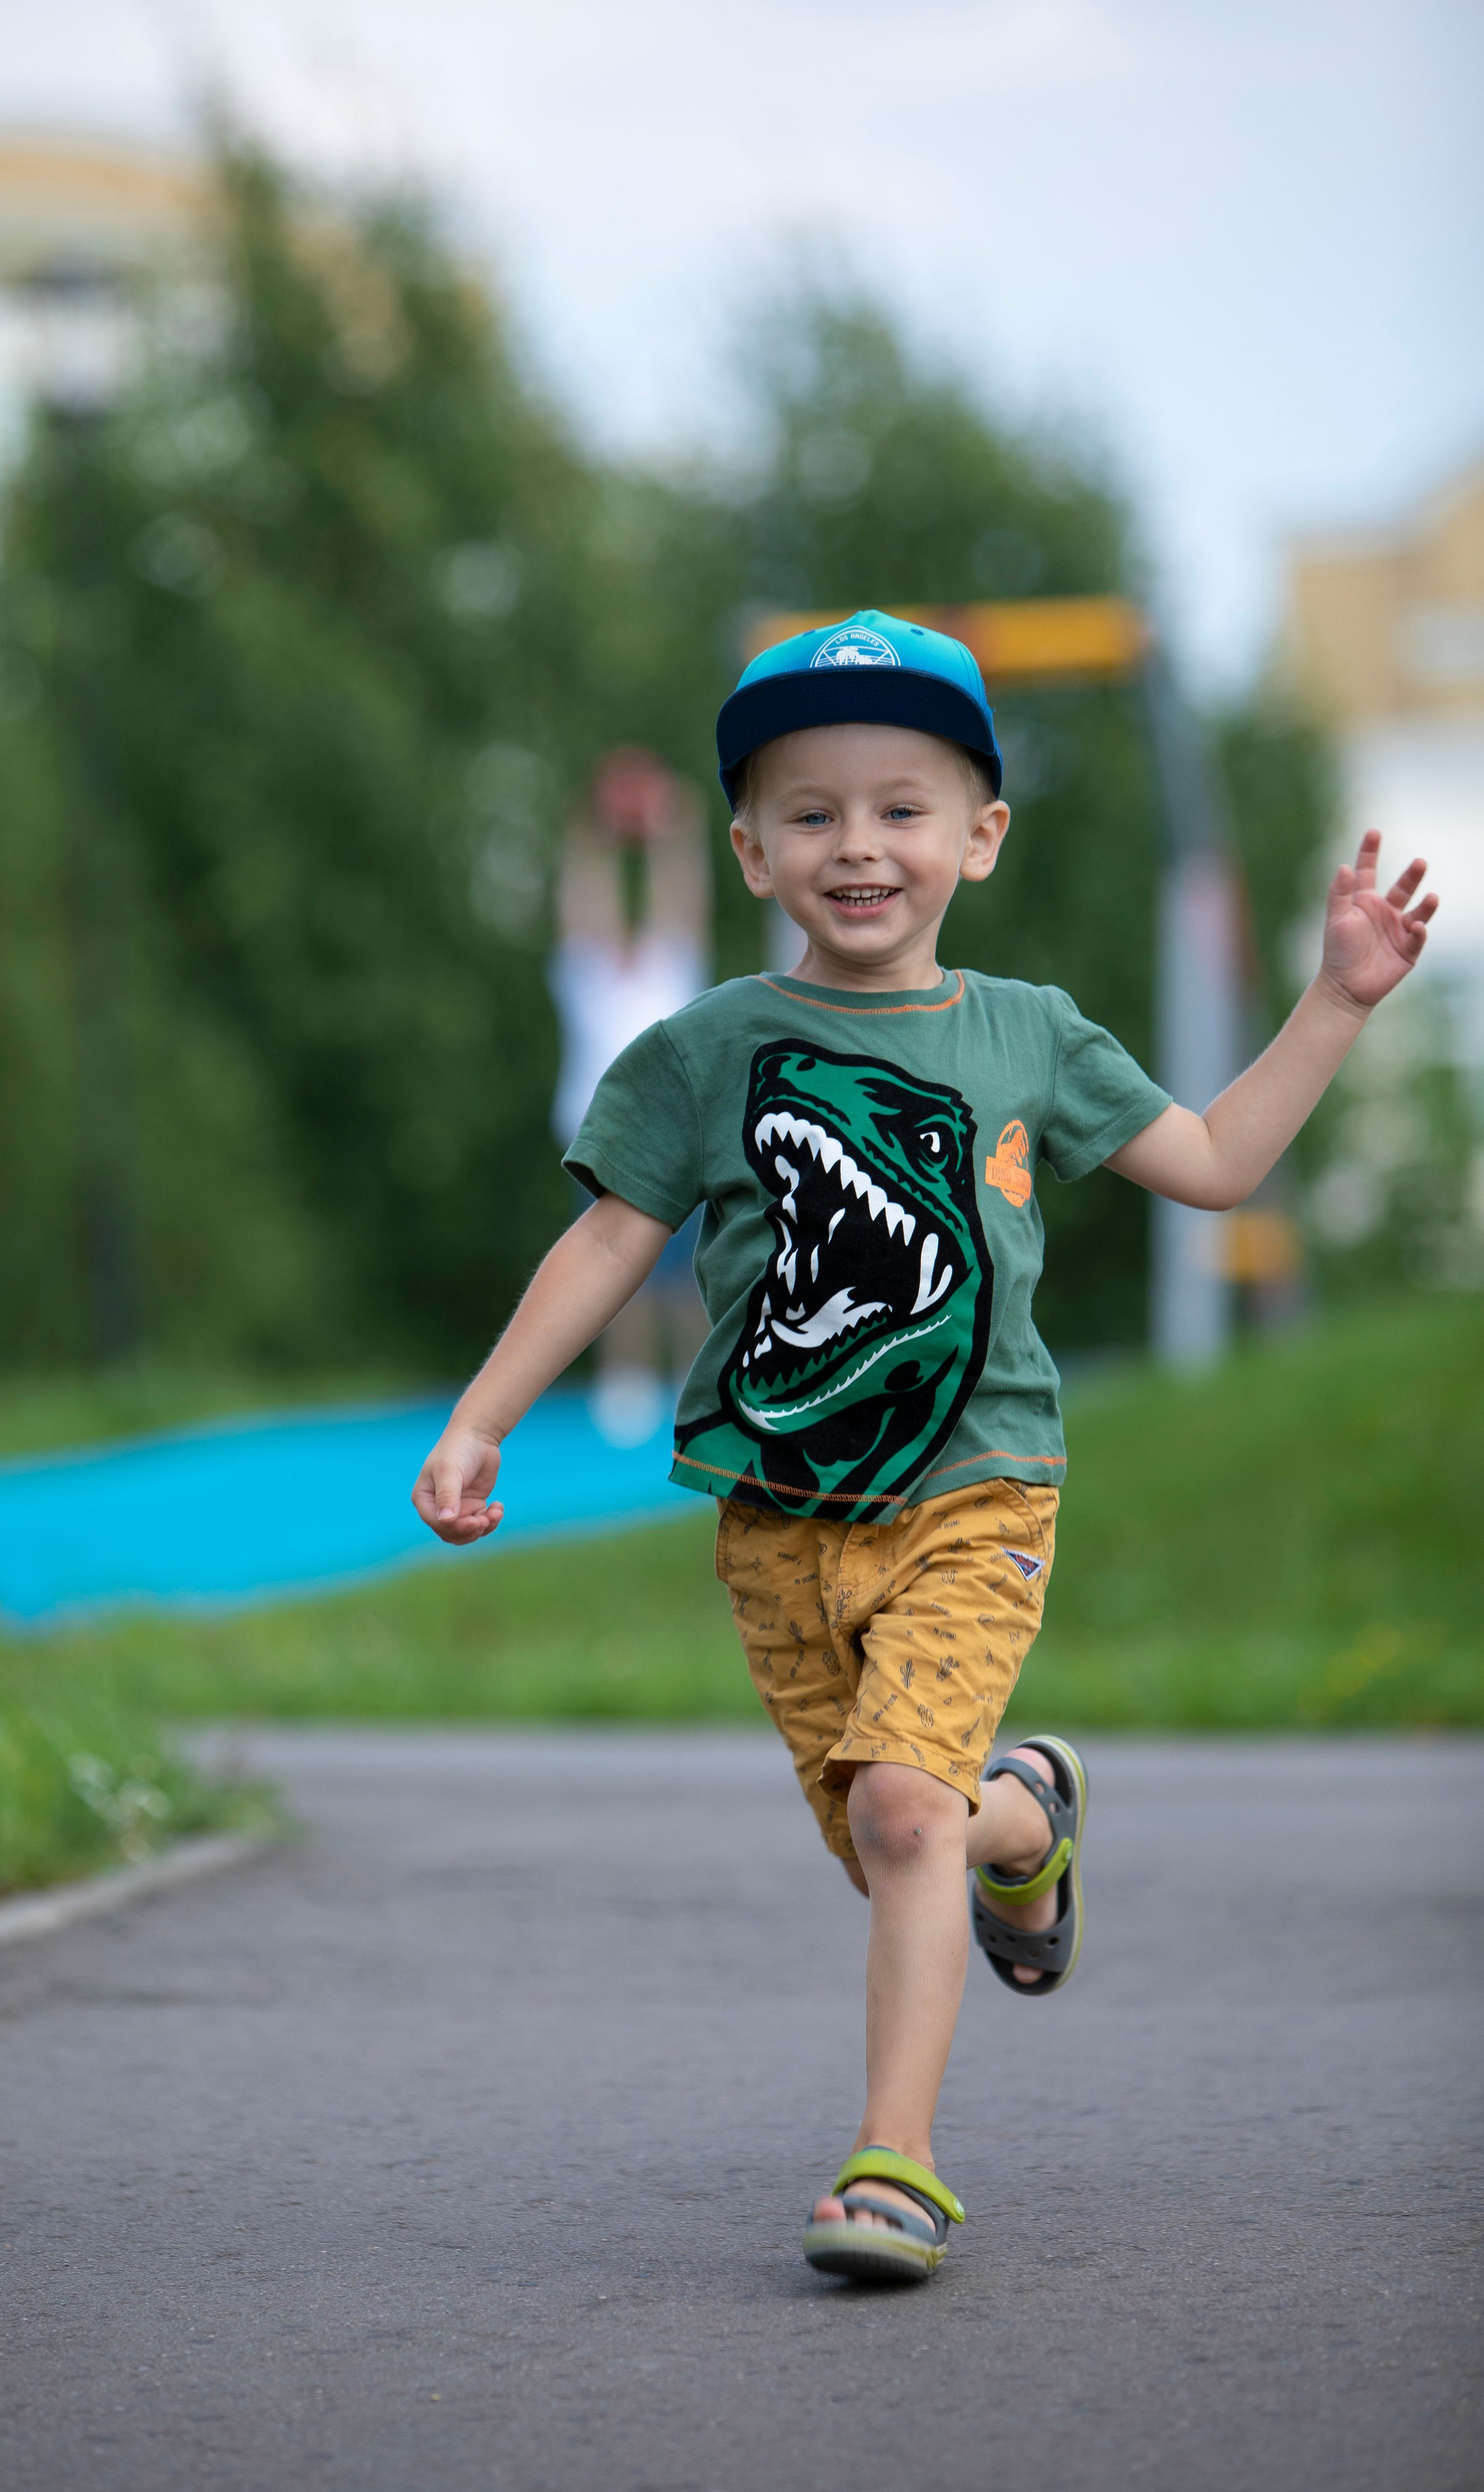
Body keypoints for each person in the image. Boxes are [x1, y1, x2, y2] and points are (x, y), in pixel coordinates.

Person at [413, 609, 1437, 2284]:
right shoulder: (706, 1051)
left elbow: (1215, 1163)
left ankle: (895, 2165)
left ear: (981, 835)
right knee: (900, 1841)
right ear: (750, 851)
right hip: (776, 1519)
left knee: (903, 1816)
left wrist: (1333, 999)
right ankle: (1029, 1819)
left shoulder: (1027, 1032)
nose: (858, 845)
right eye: (812, 812)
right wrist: (482, 1415)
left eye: (902, 807)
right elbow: (607, 1242)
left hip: (978, 1491)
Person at [549, 748, 711, 1443]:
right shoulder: (583, 970)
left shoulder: (671, 965)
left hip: (675, 1133)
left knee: (687, 1266)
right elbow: (581, 897)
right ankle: (626, 1379)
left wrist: (676, 828)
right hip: (601, 1134)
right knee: (612, 1261)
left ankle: (694, 1379)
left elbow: (683, 896)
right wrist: (594, 831)